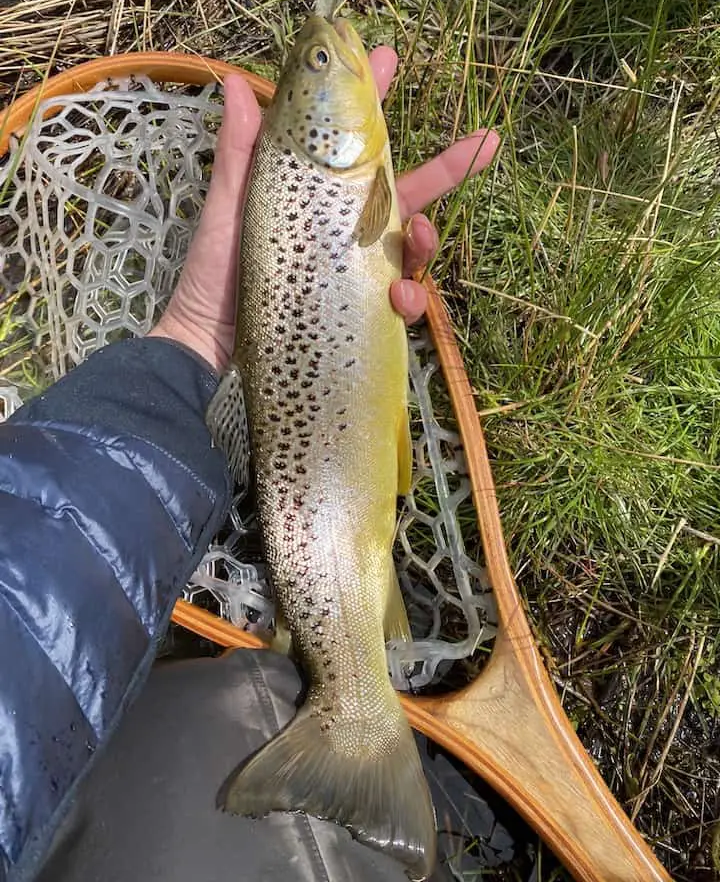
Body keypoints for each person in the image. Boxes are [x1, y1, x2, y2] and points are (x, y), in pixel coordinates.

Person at [0, 46, 499, 882]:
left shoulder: (338, 172)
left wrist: (197, 341)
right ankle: (355, 715)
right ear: (314, 123)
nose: (327, 43)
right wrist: (204, 338)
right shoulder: (334, 172)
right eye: (317, 57)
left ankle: (350, 711)